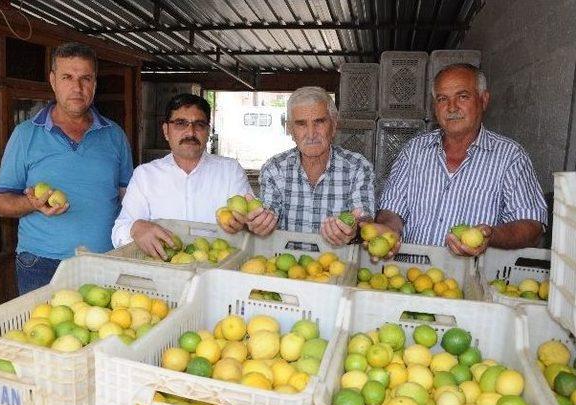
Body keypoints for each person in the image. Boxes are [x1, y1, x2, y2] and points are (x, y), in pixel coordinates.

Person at [0, 42, 133, 294]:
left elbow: (130, 200)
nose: (77, 88)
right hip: (42, 264)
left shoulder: (115, 136)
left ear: (94, 84)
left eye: (85, 78)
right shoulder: (26, 135)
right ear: (53, 81)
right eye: (67, 77)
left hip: (104, 261)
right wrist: (31, 204)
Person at [370, 63, 547, 257]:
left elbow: (531, 225)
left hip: (472, 280)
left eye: (462, 96)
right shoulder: (413, 151)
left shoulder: (510, 156)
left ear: (483, 100)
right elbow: (391, 210)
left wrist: (491, 236)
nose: (452, 107)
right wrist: (389, 231)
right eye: (442, 99)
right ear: (435, 107)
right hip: (409, 276)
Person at [111, 94, 252, 259]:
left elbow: (250, 222)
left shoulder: (230, 171)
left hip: (219, 272)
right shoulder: (145, 175)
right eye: (180, 123)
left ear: (208, 131)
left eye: (199, 124)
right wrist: (135, 228)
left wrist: (250, 223)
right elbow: (118, 233)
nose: (190, 132)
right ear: (166, 131)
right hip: (163, 275)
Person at [256, 86, 375, 246]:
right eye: (301, 124)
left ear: (333, 126)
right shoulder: (274, 169)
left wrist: (354, 229)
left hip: (337, 267)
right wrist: (260, 221)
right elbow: (269, 213)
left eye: (319, 122)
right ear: (291, 130)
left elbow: (364, 219)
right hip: (286, 265)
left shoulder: (358, 167)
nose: (311, 134)